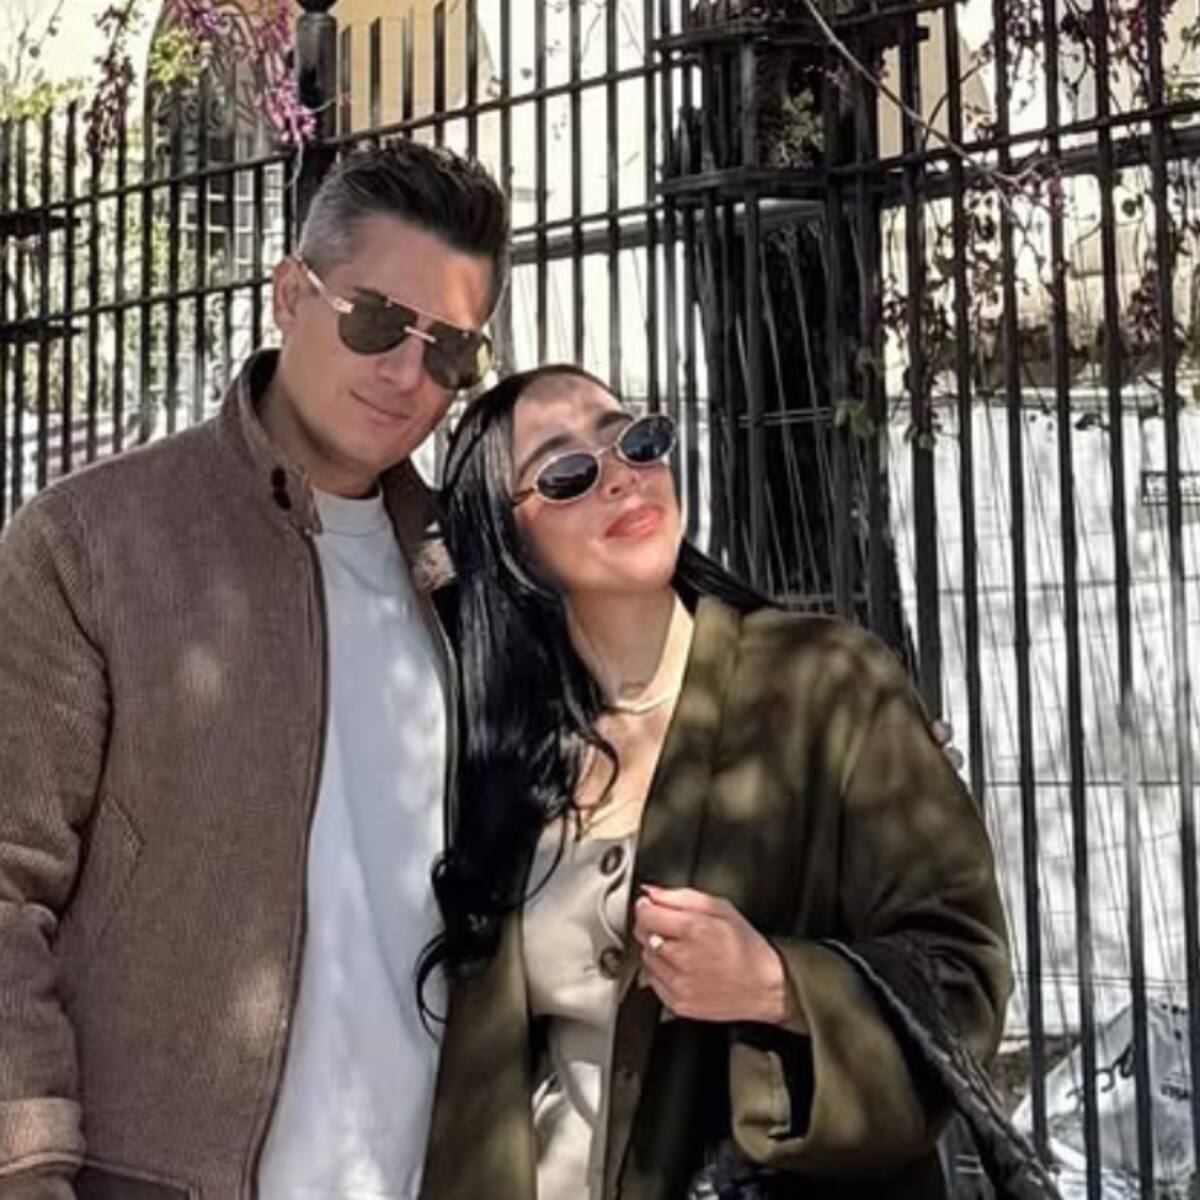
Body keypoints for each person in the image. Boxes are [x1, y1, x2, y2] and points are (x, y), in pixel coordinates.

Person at [0, 141, 506, 1200]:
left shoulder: (472, 578)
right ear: (289, 294)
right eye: (377, 320)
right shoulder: (91, 543)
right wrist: (29, 1167)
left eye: (450, 349)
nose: (406, 373)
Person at [416, 363, 1015, 1200]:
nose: (622, 476)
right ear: (507, 541)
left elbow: (965, 976)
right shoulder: (492, 750)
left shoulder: (828, 684)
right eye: (567, 473)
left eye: (637, 441)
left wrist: (777, 984)